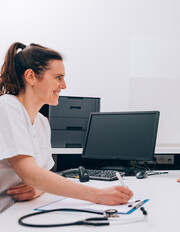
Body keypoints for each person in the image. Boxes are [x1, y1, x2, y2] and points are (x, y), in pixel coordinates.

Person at [0, 42, 133, 213]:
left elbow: (42, 177)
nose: (64, 86)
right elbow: (30, 173)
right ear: (31, 76)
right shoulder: (7, 107)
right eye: (58, 77)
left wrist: (39, 187)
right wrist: (98, 195)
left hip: (21, 208)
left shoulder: (41, 122)